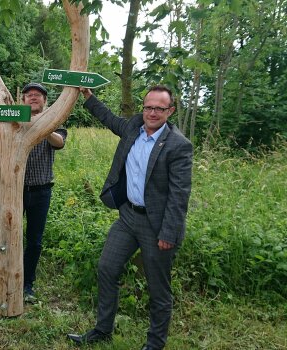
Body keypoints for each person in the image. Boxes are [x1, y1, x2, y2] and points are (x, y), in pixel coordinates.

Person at [67, 86, 192, 350]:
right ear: (142, 108)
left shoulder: (178, 146)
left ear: (170, 111)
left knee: (158, 288)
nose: (152, 112)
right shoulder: (134, 128)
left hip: (156, 226)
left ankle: (154, 344)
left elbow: (179, 196)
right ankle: (103, 330)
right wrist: (88, 97)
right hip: (128, 217)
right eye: (148, 107)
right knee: (107, 268)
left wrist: (168, 233)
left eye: (159, 108)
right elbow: (110, 119)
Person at [0, 82, 67, 305]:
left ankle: (27, 284)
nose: (33, 98)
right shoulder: (14, 121)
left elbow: (59, 143)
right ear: (22, 100)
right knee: (5, 234)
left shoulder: (54, 121)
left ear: (45, 101)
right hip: (13, 190)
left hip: (41, 192)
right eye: (29, 95)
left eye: (38, 95)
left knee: (34, 241)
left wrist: (43, 127)